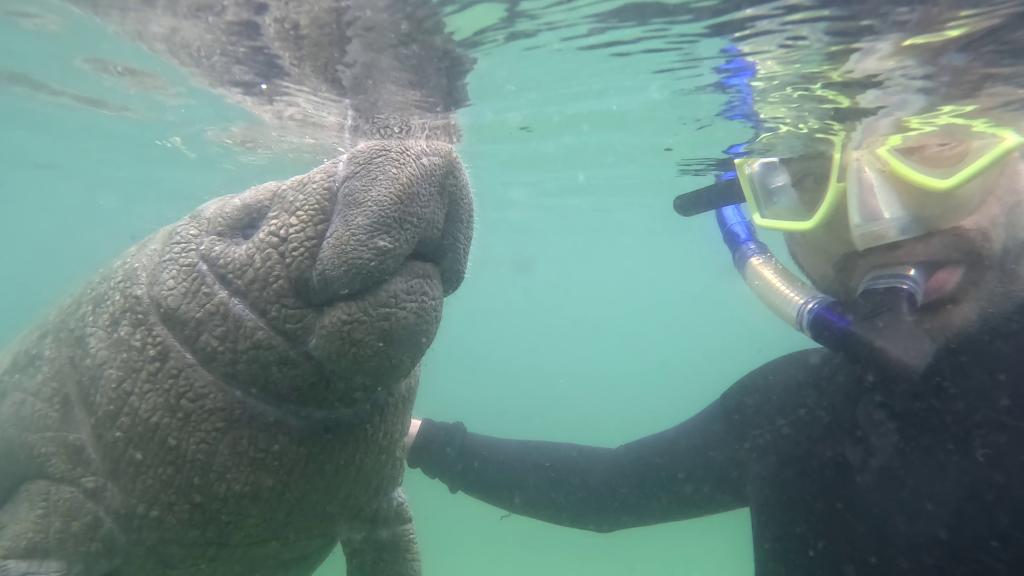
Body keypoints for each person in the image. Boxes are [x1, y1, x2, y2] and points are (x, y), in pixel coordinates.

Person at [404, 14, 1024, 576]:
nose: (875, 225)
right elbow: (610, 489)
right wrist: (411, 436)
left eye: (936, 150)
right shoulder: (792, 410)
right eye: (806, 179)